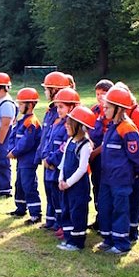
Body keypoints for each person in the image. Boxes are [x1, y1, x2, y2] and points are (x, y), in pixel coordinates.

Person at [95, 85, 139, 255]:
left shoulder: (127, 128)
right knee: (105, 208)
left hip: (120, 180)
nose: (104, 110)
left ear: (118, 109)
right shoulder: (112, 126)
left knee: (120, 210)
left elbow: (138, 156)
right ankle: (108, 238)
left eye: (108, 107)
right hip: (107, 178)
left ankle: (121, 243)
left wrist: (136, 173)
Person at [36, 72, 73, 231]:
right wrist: (43, 156)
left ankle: (60, 223)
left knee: (59, 195)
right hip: (47, 159)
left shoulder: (69, 115)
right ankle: (51, 221)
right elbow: (47, 137)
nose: (45, 92)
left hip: (57, 163)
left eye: (47, 89)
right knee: (49, 192)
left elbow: (64, 143)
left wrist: (52, 160)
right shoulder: (51, 110)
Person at [43, 87, 80, 240]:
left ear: (71, 107)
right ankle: (58, 223)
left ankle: (63, 225)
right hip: (50, 168)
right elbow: (48, 141)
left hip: (59, 168)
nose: (58, 110)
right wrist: (45, 157)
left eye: (61, 107)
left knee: (62, 199)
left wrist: (51, 161)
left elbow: (63, 147)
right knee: (54, 198)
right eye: (57, 106)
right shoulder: (57, 122)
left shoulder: (70, 126)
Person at [58, 106, 95, 251]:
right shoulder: (70, 141)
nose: (66, 125)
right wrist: (61, 179)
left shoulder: (85, 145)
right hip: (66, 183)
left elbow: (82, 169)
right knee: (66, 209)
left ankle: (77, 241)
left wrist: (68, 183)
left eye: (70, 123)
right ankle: (69, 238)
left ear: (80, 126)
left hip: (78, 186)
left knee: (77, 212)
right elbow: (63, 161)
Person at [8, 88, 42, 223]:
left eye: (21, 104)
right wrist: (11, 149)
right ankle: (20, 208)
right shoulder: (22, 120)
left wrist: (14, 152)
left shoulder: (31, 122)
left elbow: (26, 142)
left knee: (29, 185)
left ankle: (35, 213)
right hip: (21, 159)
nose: (19, 106)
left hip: (28, 160)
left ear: (30, 104)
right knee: (20, 184)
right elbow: (13, 136)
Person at [89, 80, 114, 229]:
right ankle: (99, 218)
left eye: (103, 94)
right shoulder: (94, 110)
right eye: (97, 94)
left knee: (105, 189)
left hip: (105, 156)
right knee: (96, 186)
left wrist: (95, 152)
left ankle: (106, 221)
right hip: (94, 155)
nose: (100, 97)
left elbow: (109, 138)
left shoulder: (110, 112)